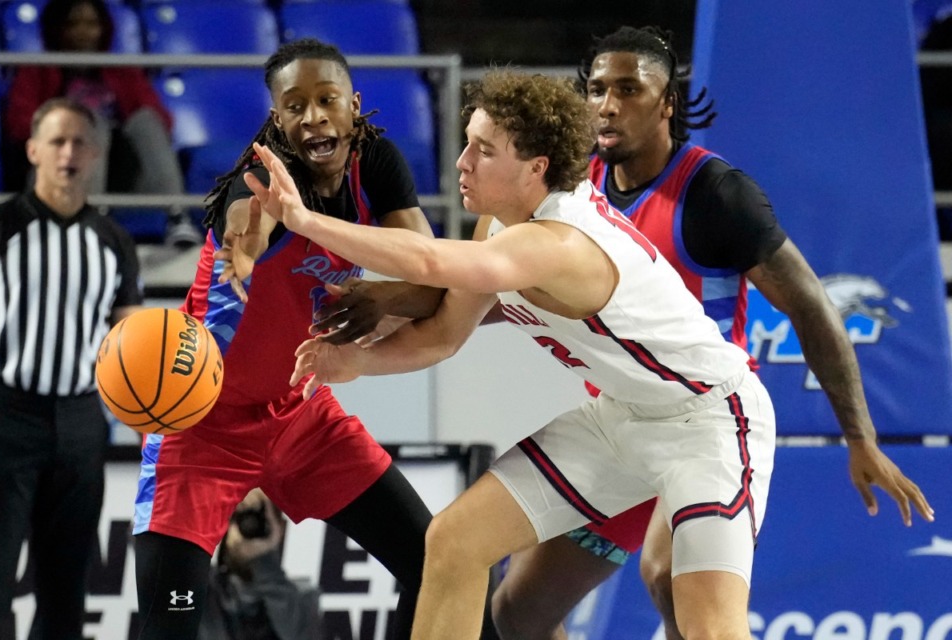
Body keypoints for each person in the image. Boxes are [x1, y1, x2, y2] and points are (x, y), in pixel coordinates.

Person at [246, 69, 782, 640]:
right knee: (453, 541)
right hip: (620, 417)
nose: (461, 162)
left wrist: (304, 221)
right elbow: (445, 334)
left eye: (483, 150)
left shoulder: (560, 242)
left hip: (711, 423)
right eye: (466, 142)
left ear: (536, 168)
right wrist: (354, 363)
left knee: (710, 629)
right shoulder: (501, 224)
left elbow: (429, 264)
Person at [486, 26, 937, 640]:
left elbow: (810, 305)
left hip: (702, 424)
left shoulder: (716, 195)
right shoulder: (572, 190)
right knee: (519, 614)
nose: (608, 104)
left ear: (667, 101)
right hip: (616, 427)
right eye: (595, 89)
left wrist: (860, 437)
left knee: (668, 574)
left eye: (629, 88)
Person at [130, 38, 440, 640]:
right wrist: (241, 253)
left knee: (438, 564)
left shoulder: (375, 164)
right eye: (294, 105)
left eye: (327, 99)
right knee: (169, 625)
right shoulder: (261, 177)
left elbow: (430, 273)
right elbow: (249, 220)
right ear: (277, 119)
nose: (314, 115)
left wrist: (381, 297)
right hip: (199, 421)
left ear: (354, 105)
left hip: (299, 413)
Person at [0, 97, 143, 640]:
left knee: (67, 588)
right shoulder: (0, 228)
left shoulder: (113, 241)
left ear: (97, 153)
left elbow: (132, 345)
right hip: (5, 414)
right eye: (57, 141)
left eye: (79, 141)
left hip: (81, 420)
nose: (68, 153)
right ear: (33, 150)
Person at [2, 0, 201, 247]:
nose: (84, 33)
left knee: (146, 120)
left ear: (103, 29)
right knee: (90, 122)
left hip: (122, 170)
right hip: (61, 171)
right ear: (57, 29)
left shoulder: (121, 70)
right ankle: (89, 217)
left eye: (91, 24)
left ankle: (177, 216)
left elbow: (162, 123)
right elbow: (20, 127)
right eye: (74, 24)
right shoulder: (37, 70)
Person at [198, 488, 322, 640]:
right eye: (239, 516)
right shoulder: (201, 590)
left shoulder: (304, 596)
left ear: (281, 527)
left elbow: (300, 635)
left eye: (259, 517)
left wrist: (264, 560)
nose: (249, 524)